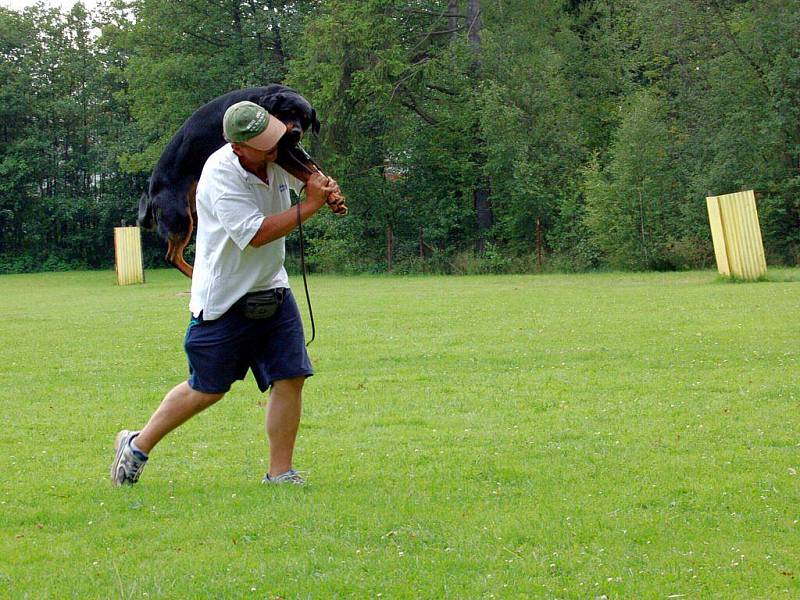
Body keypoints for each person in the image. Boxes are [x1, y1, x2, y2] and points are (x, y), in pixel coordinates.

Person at [111, 100, 339, 486]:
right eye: (264, 143)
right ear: (237, 146)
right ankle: (135, 445)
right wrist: (312, 205)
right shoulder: (219, 174)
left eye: (275, 139)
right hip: (225, 299)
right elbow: (256, 235)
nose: (274, 148)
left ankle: (280, 473)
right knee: (206, 389)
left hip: (273, 288)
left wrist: (324, 188)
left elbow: (308, 177)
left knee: (291, 376)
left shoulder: (277, 154)